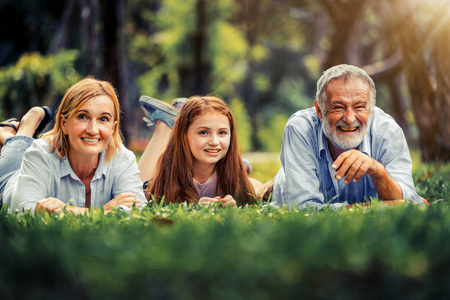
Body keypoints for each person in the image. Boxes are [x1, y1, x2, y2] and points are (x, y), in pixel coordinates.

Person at [269, 64, 424, 209]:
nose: (349, 119)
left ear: (371, 110)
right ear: (319, 110)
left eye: (359, 107)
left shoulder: (388, 132)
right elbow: (304, 209)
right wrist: (378, 207)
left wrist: (378, 171)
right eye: (338, 107)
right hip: (285, 186)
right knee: (261, 191)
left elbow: (410, 201)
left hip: (306, 177)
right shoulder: (300, 128)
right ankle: (265, 186)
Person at [0, 77, 145, 214]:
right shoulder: (39, 153)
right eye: (83, 116)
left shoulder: (123, 159)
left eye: (103, 119)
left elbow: (138, 211)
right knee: (19, 145)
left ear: (113, 128)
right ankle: (28, 122)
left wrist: (67, 210)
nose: (93, 130)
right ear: (64, 124)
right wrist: (105, 210)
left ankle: (7, 134)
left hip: (31, 169)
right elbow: (26, 211)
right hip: (9, 183)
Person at [137, 95, 258, 207]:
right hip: (154, 178)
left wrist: (235, 207)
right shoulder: (169, 172)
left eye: (222, 132)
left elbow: (251, 203)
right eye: (203, 132)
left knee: (256, 186)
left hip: (233, 170)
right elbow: (149, 203)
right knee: (137, 190)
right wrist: (194, 207)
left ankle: (244, 165)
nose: (214, 142)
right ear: (183, 134)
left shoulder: (233, 174)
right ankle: (165, 124)